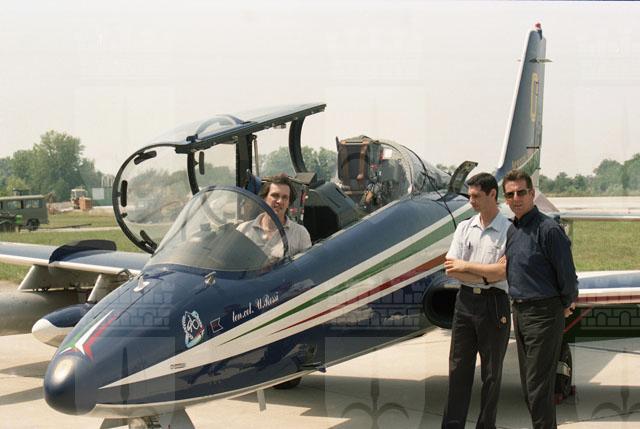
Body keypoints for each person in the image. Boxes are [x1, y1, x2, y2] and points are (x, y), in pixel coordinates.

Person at [503, 169, 578, 429]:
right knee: (529, 386)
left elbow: (567, 274)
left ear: (532, 193)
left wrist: (566, 303)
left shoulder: (549, 230)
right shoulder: (513, 230)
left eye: (521, 192)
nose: (516, 198)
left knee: (537, 386)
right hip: (520, 313)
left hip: (544, 314)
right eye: (510, 194)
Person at [442, 172, 511, 429]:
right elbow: (451, 268)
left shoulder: (509, 230)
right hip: (465, 303)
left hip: (494, 304)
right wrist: (485, 275)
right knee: (458, 369)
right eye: (469, 196)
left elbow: (503, 272)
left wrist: (467, 267)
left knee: (491, 374)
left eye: (476, 196)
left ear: (493, 194)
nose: (471, 201)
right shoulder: (464, 227)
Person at [237, 174, 311, 258]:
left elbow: (307, 264)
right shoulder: (243, 230)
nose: (280, 201)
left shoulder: (300, 234)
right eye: (275, 195)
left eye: (285, 197)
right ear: (264, 198)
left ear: (289, 203)